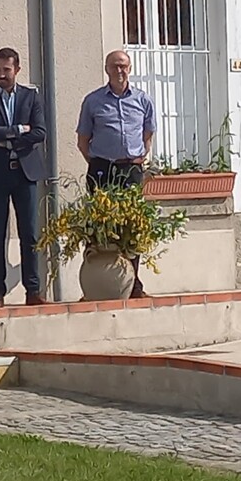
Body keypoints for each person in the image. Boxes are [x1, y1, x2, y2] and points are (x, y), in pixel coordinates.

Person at [76, 49, 158, 298]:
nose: (119, 71)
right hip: (102, 169)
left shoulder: (142, 100)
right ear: (107, 69)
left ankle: (132, 285)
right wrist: (100, 162)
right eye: (114, 66)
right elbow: (83, 141)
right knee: (98, 228)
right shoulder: (93, 101)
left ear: (130, 69)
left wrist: (139, 156)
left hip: (131, 169)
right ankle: (95, 286)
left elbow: (148, 133)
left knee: (132, 229)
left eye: (123, 66)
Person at [0, 47, 48, 307]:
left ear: (17, 69)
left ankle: (33, 291)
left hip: (25, 171)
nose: (1, 75)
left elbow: (39, 132)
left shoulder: (31, 97)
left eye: (6, 70)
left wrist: (5, 134)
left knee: (29, 233)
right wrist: (18, 130)